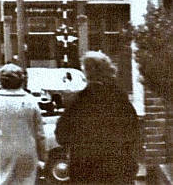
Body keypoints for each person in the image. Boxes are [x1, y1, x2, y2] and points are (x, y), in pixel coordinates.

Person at [55, 51, 140, 184]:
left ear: (87, 73)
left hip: (85, 171)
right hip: (118, 169)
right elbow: (134, 131)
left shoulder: (78, 101)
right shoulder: (120, 99)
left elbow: (61, 135)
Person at [0, 63, 45, 185]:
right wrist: (42, 154)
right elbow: (40, 133)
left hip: (3, 150)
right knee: (26, 182)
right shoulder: (30, 100)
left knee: (2, 181)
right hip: (27, 150)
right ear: (21, 80)